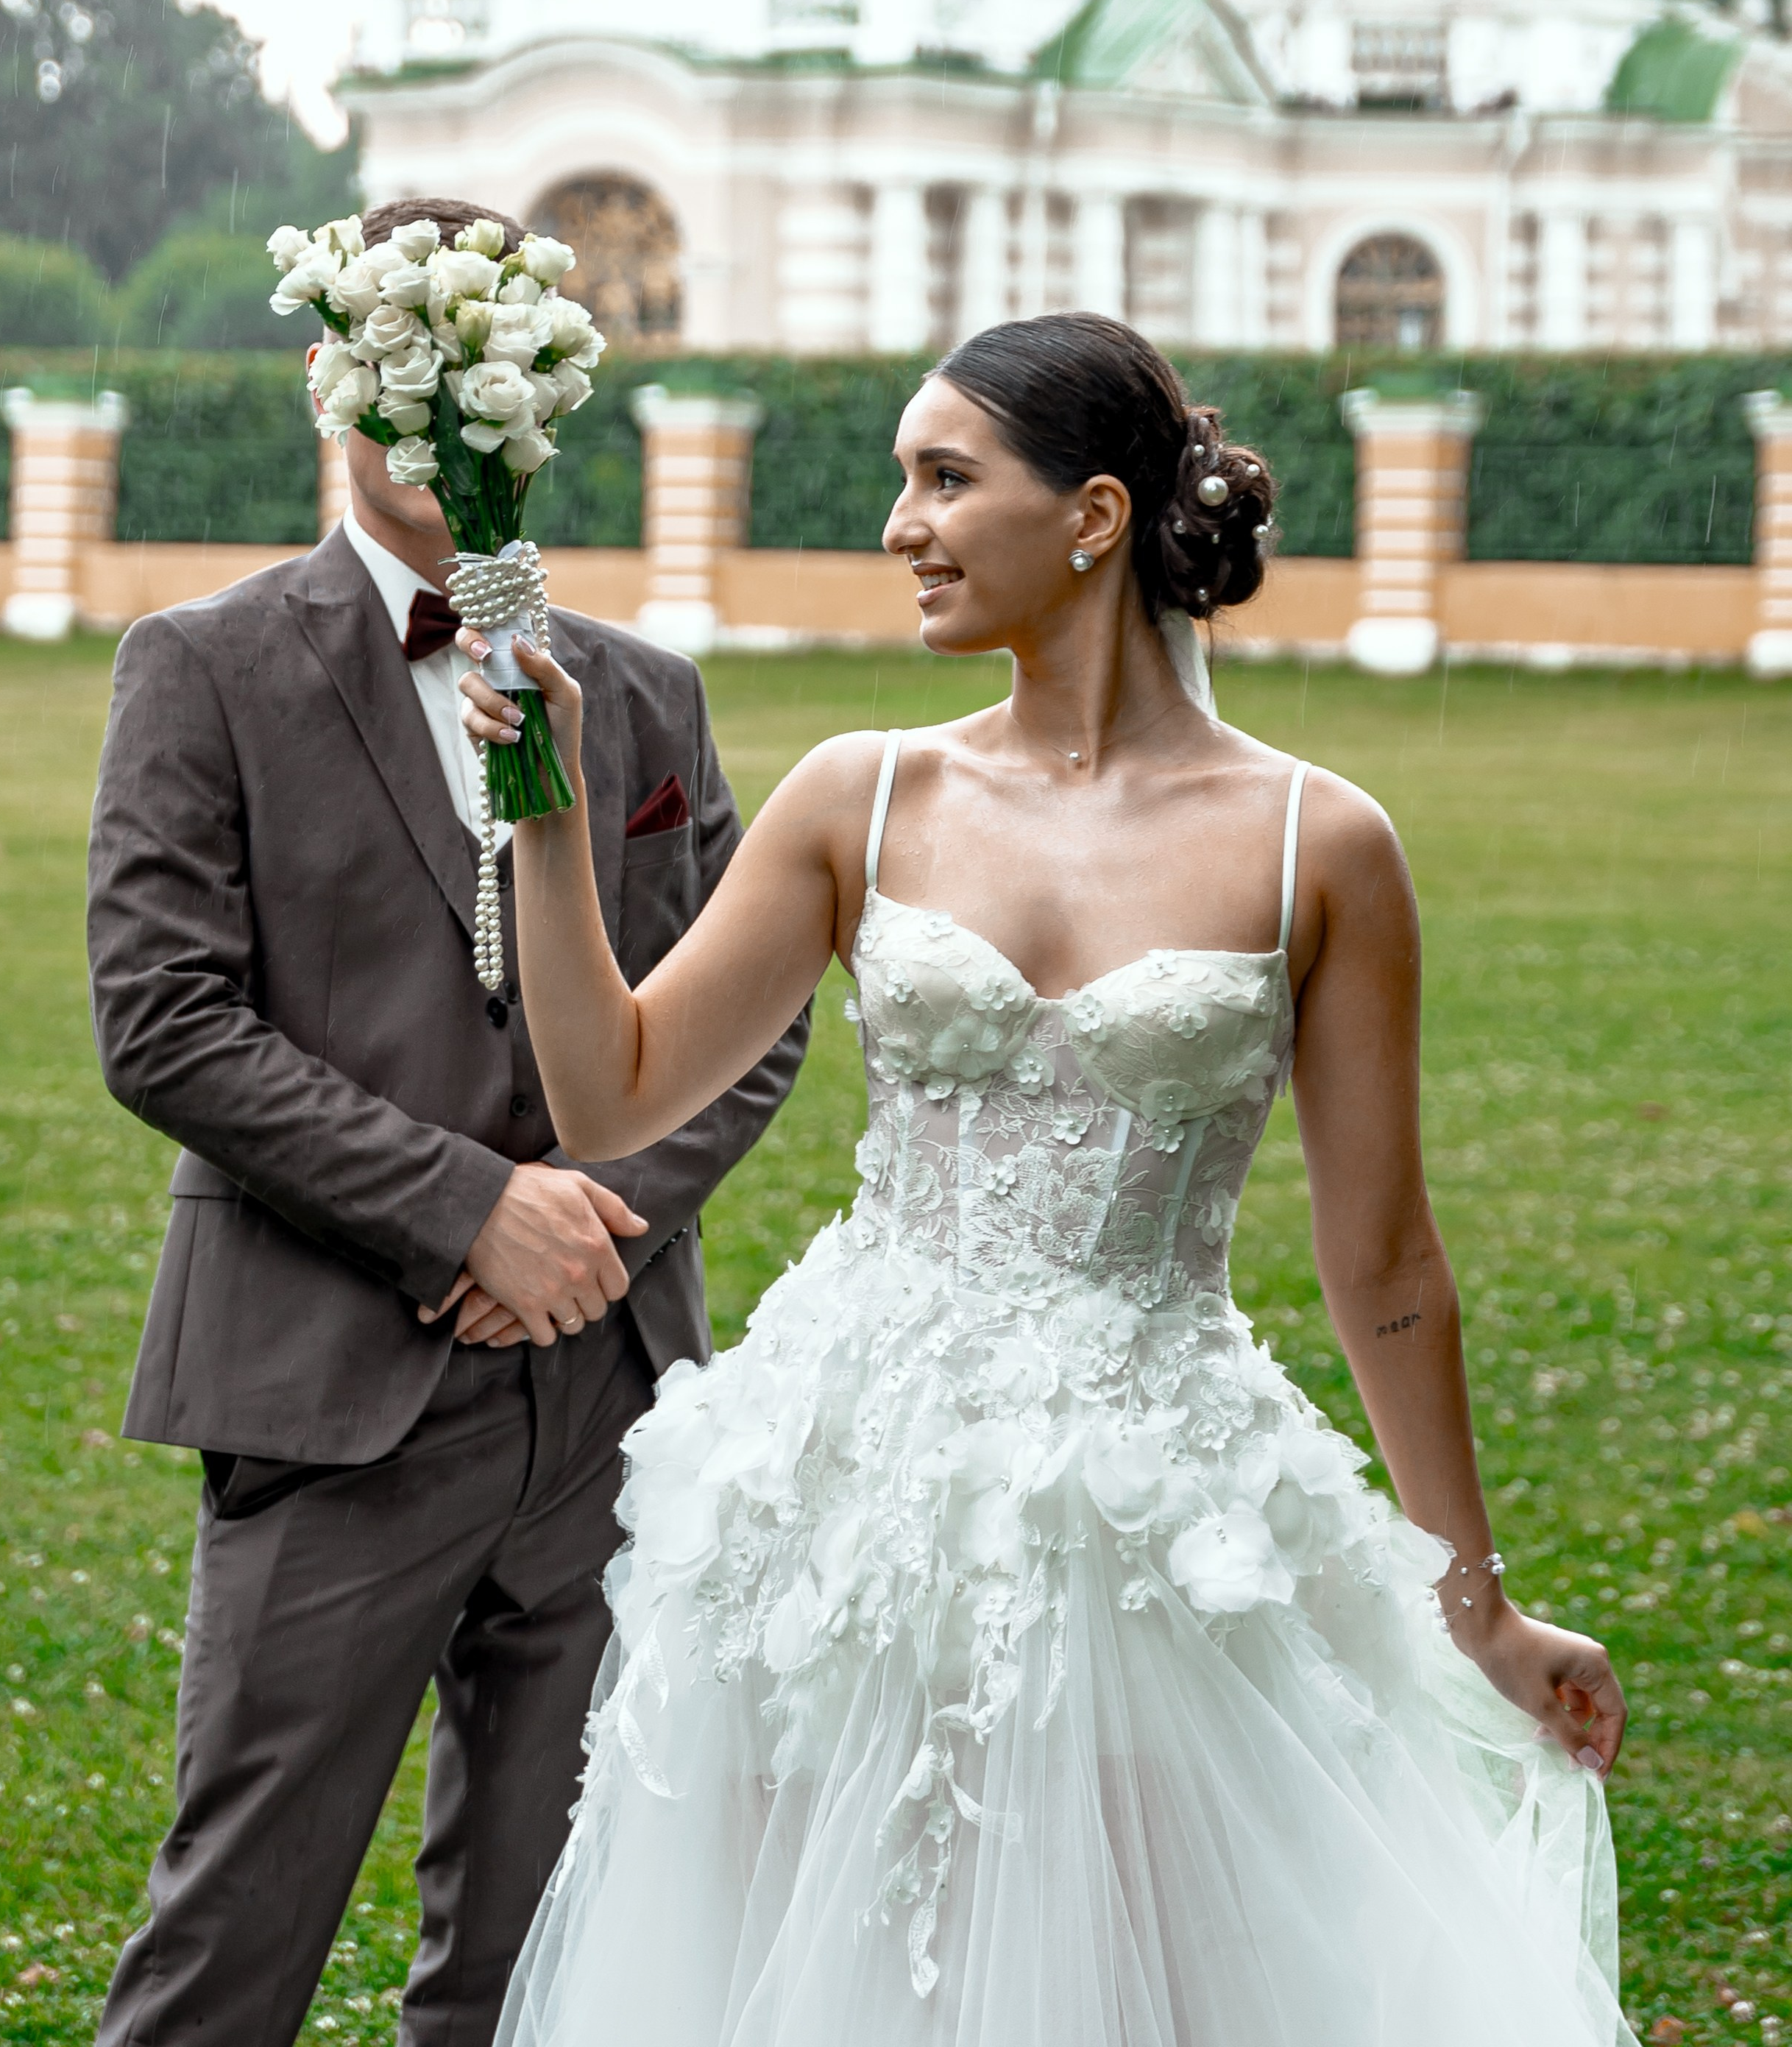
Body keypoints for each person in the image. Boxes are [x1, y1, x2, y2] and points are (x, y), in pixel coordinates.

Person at [456, 311, 1633, 2047]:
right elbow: (609, 1088)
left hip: (1146, 1509)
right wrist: (543, 810)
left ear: (1090, 515)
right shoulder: (860, 795)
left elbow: (1383, 1263)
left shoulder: (1321, 843)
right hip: (844, 1490)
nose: (898, 526)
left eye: (944, 479)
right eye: (899, 483)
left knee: (1134, 1976)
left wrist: (1471, 1609)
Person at [84, 194, 810, 2047]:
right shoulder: (203, 664)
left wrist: (599, 1214)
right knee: (232, 1938)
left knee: (546, 1957)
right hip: (331, 1386)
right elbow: (164, 1022)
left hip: (611, 1396)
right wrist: (469, 1208)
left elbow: (760, 1015)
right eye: (410, 386)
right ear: (333, 378)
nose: (450, 437)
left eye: (486, 393)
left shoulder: (646, 692)